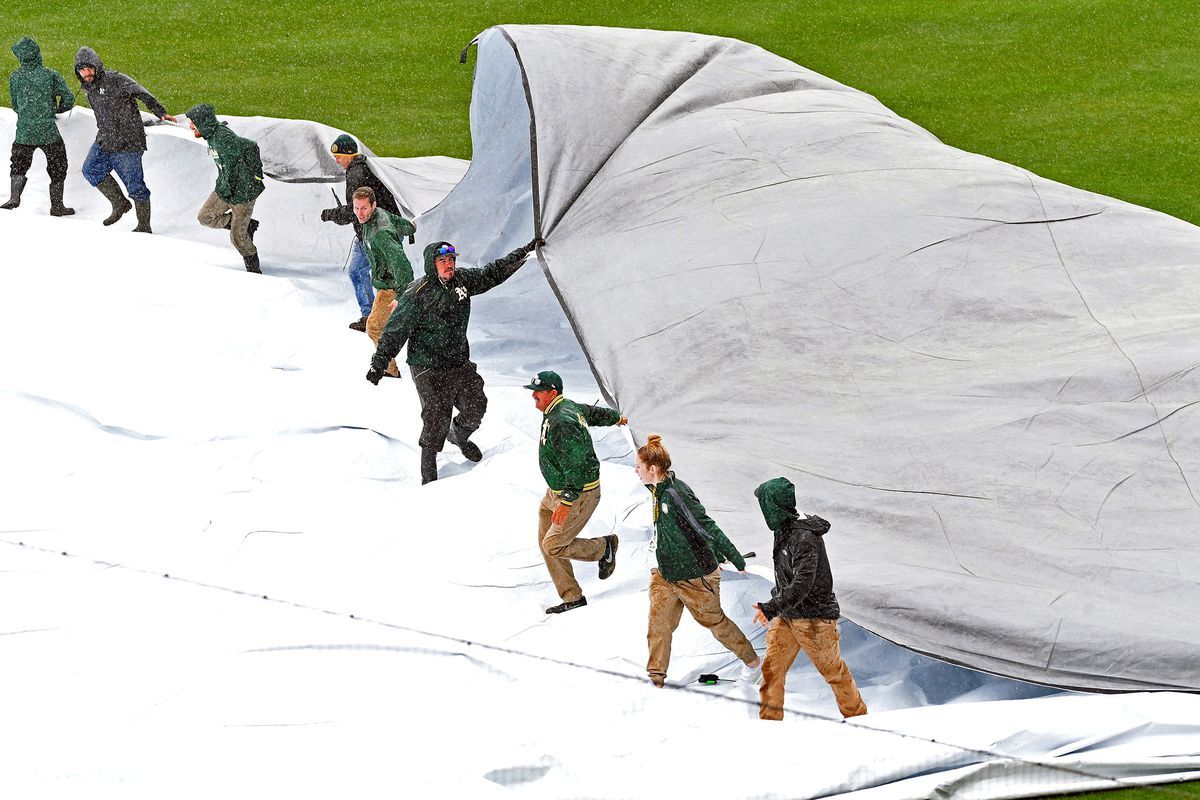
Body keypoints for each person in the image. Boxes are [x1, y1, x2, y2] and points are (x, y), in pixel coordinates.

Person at [366, 237, 542, 484]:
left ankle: (458, 435)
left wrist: (523, 253)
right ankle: (429, 479)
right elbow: (396, 330)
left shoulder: (463, 281)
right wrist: (379, 362)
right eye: (442, 261)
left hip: (457, 360)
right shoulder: (417, 294)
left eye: (451, 259)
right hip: (426, 365)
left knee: (476, 406)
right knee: (436, 417)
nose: (449, 265)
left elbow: (493, 272)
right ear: (431, 264)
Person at [635, 434, 762, 687]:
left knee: (715, 623)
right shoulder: (656, 489)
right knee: (658, 625)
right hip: (666, 572)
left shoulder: (675, 494)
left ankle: (753, 664)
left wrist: (733, 556)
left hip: (695, 576)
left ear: (653, 468)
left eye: (638, 466)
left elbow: (705, 526)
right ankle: (656, 679)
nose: (635, 471)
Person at [752, 477, 867, 721]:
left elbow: (803, 583)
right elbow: (788, 577)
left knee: (834, 673)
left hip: (814, 619)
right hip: (788, 616)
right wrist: (777, 603)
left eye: (764, 503)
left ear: (774, 506)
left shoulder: (804, 538)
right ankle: (769, 726)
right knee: (772, 670)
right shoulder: (784, 529)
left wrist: (772, 606)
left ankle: (860, 720)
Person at [526, 370, 627, 614]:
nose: (533, 396)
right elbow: (592, 413)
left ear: (552, 393)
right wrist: (615, 418)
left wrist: (567, 500)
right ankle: (572, 596)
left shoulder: (562, 421)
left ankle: (604, 548)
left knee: (553, 545)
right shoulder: (564, 408)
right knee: (545, 540)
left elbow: (577, 464)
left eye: (538, 392)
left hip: (578, 494)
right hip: (556, 492)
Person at [74, 46, 175, 233]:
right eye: (82, 70)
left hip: (128, 141)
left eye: (89, 68)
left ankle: (144, 226)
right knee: (90, 169)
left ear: (96, 66)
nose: (86, 73)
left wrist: (161, 113)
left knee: (135, 185)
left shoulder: (116, 79)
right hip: (104, 139)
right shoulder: (89, 88)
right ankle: (119, 203)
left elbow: (142, 92)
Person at [320, 134, 404, 332]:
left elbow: (354, 210)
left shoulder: (356, 174)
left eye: (339, 156)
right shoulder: (361, 167)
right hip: (374, 231)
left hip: (378, 234)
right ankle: (373, 316)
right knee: (364, 272)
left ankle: (380, 317)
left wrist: (330, 214)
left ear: (349, 155)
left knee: (381, 276)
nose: (336, 160)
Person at [185, 103, 265, 273]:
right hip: (224, 189)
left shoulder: (223, 138)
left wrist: (256, 174)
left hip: (243, 194)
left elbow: (251, 146)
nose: (190, 126)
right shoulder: (210, 134)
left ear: (203, 122)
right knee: (205, 217)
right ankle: (248, 226)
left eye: (193, 122)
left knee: (237, 239)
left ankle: (254, 272)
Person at [3, 37, 75, 215]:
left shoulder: (15, 76)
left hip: (24, 132)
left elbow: (15, 106)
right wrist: (57, 110)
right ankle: (57, 206)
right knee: (58, 164)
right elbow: (69, 98)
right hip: (48, 131)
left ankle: (15, 196)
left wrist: (28, 113)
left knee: (18, 164)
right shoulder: (50, 74)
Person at [353, 186, 414, 380]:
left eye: (364, 208)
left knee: (374, 327)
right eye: (356, 208)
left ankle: (389, 370)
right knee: (384, 326)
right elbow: (398, 222)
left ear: (373, 205)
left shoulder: (381, 234)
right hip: (385, 283)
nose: (359, 213)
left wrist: (404, 296)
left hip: (391, 287)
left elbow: (402, 265)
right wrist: (410, 227)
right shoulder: (378, 215)